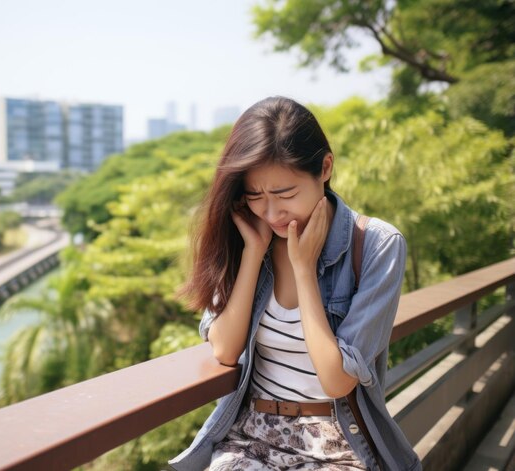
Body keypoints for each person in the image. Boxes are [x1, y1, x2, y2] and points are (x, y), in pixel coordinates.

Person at [169, 96, 421, 471]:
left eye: (286, 194)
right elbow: (224, 349)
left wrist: (304, 269)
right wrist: (254, 253)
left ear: (324, 167)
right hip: (250, 435)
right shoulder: (246, 236)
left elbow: (337, 381)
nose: (271, 212)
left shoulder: (377, 245)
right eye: (255, 196)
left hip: (338, 443)